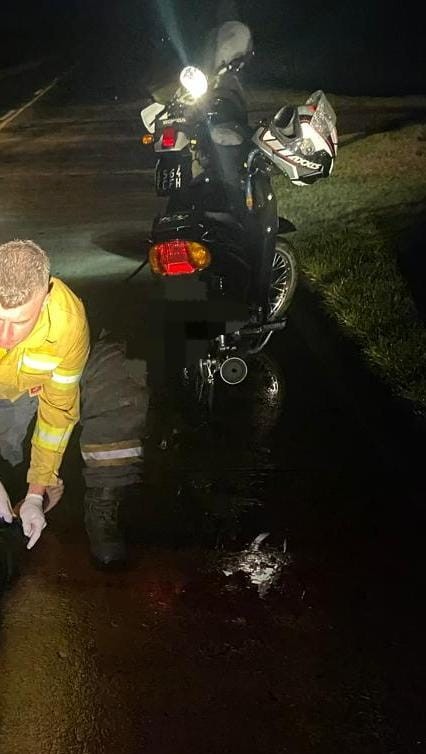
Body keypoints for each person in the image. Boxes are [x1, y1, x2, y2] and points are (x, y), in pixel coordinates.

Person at [0, 240, 148, 568]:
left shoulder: (67, 323)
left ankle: (101, 507)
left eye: (20, 322)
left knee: (117, 378)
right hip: (5, 402)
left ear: (47, 297)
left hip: (39, 391)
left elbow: (58, 410)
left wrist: (36, 493)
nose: (6, 337)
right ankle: (25, 503)